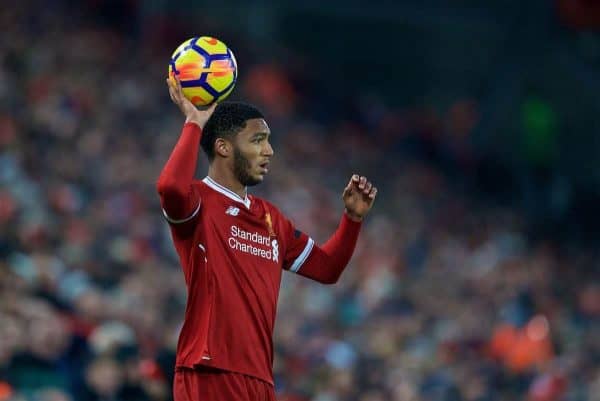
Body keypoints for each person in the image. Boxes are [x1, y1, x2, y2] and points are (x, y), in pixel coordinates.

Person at [157, 76, 378, 401]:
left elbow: (328, 269)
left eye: (268, 140)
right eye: (258, 140)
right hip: (209, 371)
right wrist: (194, 123)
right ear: (223, 146)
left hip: (259, 379)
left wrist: (352, 219)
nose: (269, 151)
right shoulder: (199, 201)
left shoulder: (272, 219)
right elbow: (170, 187)